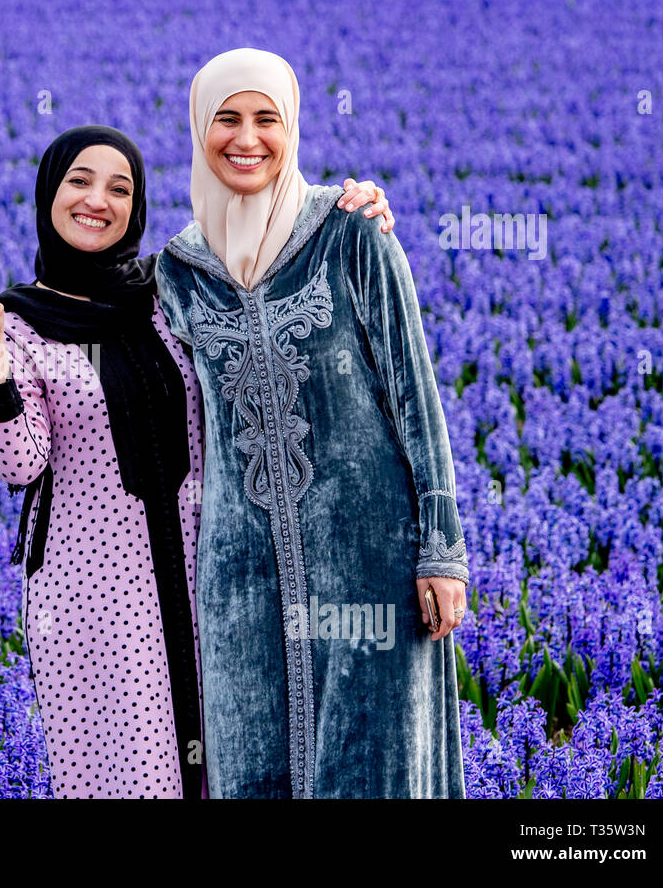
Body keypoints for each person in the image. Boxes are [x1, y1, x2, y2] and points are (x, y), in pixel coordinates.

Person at [0, 125, 394, 798]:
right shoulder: (18, 319)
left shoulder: (173, 289)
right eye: (79, 181)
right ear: (48, 193)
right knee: (131, 776)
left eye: (119, 187)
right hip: (92, 596)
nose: (97, 200)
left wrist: (346, 211)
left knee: (226, 767)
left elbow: (273, 254)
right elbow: (19, 465)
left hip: (205, 578)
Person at [155, 48, 469, 798]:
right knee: (256, 768)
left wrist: (442, 549)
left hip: (368, 565)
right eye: (226, 118)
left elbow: (414, 395)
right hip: (242, 580)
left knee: (373, 765)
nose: (247, 138)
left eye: (268, 118)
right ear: (199, 129)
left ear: (294, 128)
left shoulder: (352, 232)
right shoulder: (179, 269)